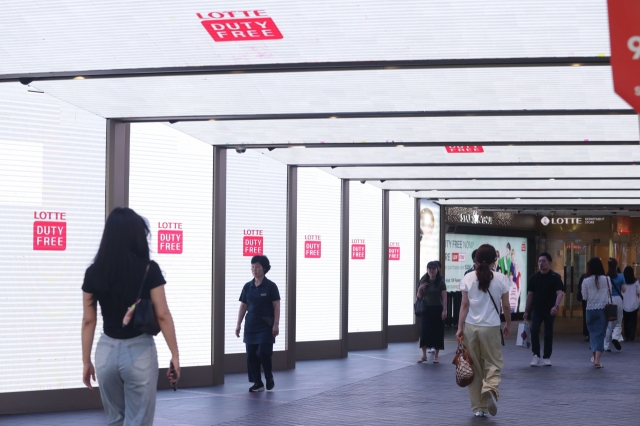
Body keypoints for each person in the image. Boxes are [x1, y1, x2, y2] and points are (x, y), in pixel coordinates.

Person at [81, 208, 180, 425]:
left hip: (105, 353)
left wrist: (86, 360)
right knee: (138, 420)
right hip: (139, 351)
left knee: (115, 420)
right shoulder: (149, 269)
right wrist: (174, 354)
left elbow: (89, 320)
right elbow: (162, 314)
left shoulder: (93, 272)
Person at [456, 244, 511, 418]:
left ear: (476, 260)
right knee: (493, 363)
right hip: (491, 328)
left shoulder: (468, 278)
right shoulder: (502, 279)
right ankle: (490, 388)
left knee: (474, 367)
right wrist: (508, 323)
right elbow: (506, 306)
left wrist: (459, 328)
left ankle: (478, 408)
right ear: (495, 260)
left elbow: (464, 305)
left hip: (471, 328)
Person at [235, 255, 281, 392]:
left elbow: (276, 306)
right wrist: (238, 324)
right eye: (252, 266)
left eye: (258, 267)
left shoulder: (271, 286)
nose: (254, 269)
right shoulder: (247, 286)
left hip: (266, 325)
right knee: (251, 355)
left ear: (264, 268)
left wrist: (276, 324)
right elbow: (243, 306)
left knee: (263, 352)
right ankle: (257, 382)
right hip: (251, 325)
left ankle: (269, 376)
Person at [523, 252, 564, 367]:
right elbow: (530, 295)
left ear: (549, 263)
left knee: (548, 332)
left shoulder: (555, 277)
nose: (541, 263)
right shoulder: (534, 277)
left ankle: (547, 356)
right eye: (539, 261)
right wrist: (526, 311)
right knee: (534, 330)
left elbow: (560, 293)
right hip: (536, 309)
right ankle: (536, 355)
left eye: (544, 261)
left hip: (550, 309)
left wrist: (556, 306)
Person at [581, 257, 611, 368]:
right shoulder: (607, 279)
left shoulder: (585, 280)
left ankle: (595, 358)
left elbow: (584, 296)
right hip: (603, 310)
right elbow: (610, 293)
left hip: (590, 310)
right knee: (600, 335)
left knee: (592, 334)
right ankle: (597, 360)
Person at [416, 261, 447, 363]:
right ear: (427, 270)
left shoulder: (440, 281)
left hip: (437, 308)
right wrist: (420, 289)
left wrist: (444, 310)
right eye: (430, 269)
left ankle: (436, 356)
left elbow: (444, 297)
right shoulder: (424, 280)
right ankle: (424, 355)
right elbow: (419, 297)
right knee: (424, 331)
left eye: (434, 269)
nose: (432, 271)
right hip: (425, 309)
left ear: (437, 270)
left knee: (437, 332)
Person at [604, 258, 626, 351]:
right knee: (618, 321)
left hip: (608, 299)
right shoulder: (621, 276)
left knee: (608, 323)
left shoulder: (605, 277)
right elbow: (624, 289)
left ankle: (606, 346)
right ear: (616, 266)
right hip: (618, 299)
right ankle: (615, 337)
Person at [622, 266, 640, 341]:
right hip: (634, 304)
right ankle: (632, 332)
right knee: (633, 320)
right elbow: (639, 291)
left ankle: (626, 334)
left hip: (624, 304)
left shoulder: (622, 281)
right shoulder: (636, 282)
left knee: (626, 320)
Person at [576, 272, 589, 341]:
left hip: (585, 300)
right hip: (595, 301)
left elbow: (579, 287)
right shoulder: (601, 278)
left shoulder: (584, 276)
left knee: (586, 316)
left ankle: (586, 333)